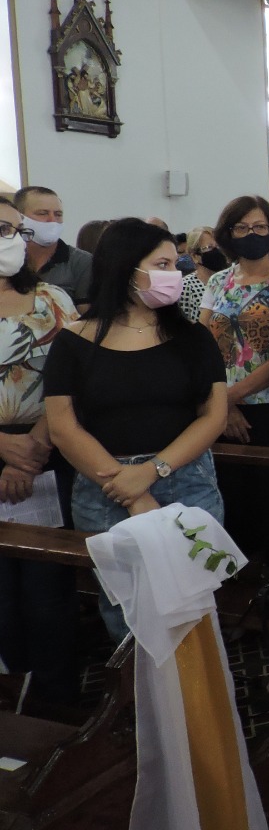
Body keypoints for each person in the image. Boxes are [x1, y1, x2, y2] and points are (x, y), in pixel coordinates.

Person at [44, 218, 228, 641]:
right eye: (162, 263)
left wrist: (151, 472)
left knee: (194, 612)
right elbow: (64, 428)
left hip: (186, 483)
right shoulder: (73, 342)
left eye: (176, 263)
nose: (175, 273)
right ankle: (137, 705)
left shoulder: (192, 337)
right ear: (127, 269)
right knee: (127, 618)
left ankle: (200, 706)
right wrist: (126, 485)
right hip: (104, 488)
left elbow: (212, 415)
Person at [200, 196, 269, 573]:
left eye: (260, 227)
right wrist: (224, 402)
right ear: (228, 234)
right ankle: (241, 583)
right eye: (242, 228)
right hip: (222, 409)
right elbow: (204, 341)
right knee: (236, 497)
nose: (252, 234)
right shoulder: (218, 280)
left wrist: (236, 395)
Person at [0, 200, 80, 704]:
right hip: (6, 445)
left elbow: (73, 377)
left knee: (46, 590)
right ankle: (10, 699)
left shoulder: (52, 299)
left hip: (47, 445)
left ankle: (54, 705)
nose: (6, 236)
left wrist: (32, 447)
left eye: (10, 228)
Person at [15, 185, 93, 310]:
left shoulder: (81, 262)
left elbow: (86, 319)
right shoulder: (8, 259)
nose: (52, 220)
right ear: (19, 217)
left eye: (58, 214)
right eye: (43, 213)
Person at [178, 225, 227, 323]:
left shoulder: (231, 280)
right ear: (195, 256)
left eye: (218, 246)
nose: (216, 251)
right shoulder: (185, 286)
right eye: (209, 247)